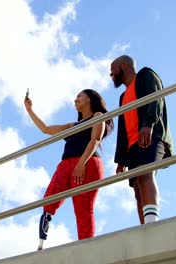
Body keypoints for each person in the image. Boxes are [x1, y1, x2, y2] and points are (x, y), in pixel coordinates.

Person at [24, 89, 113, 249]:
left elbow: (95, 140)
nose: (75, 99)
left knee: (83, 207)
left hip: (87, 163)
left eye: (80, 96)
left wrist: (81, 163)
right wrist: (30, 110)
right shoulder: (72, 125)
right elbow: (45, 129)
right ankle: (41, 240)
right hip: (66, 164)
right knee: (49, 200)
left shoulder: (97, 116)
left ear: (90, 99)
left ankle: (85, 247)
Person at [110, 55, 173, 225]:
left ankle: (152, 222)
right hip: (131, 146)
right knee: (137, 188)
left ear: (124, 66)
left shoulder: (146, 75)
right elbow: (122, 130)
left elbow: (155, 98)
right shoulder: (122, 97)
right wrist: (121, 159)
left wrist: (148, 124)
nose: (111, 74)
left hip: (149, 135)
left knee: (146, 174)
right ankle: (145, 226)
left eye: (113, 69)